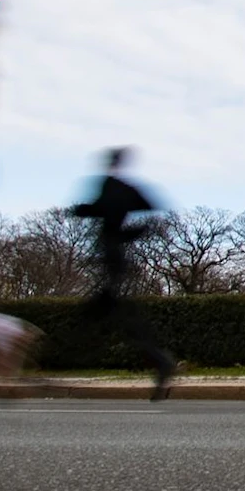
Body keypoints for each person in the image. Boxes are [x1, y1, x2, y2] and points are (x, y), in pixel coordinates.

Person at [71, 147, 177, 401]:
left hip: (112, 254)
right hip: (114, 254)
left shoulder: (111, 186)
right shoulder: (121, 188)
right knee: (114, 313)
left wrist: (85, 210)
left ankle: (161, 362)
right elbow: (141, 205)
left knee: (111, 314)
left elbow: (106, 208)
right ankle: (160, 362)